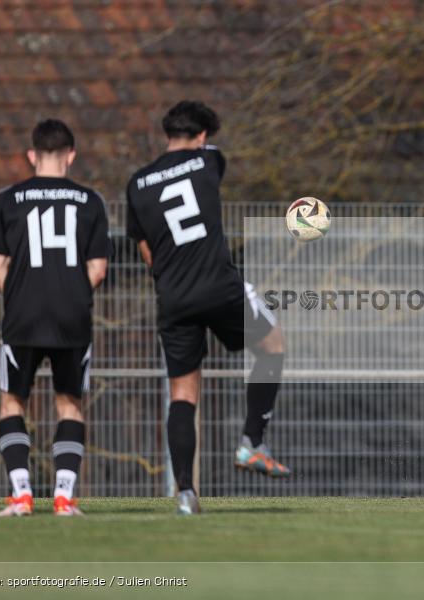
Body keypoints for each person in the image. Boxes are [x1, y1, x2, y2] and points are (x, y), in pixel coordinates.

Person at [126, 100, 289, 515]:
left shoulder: (137, 184)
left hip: (174, 296)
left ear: (168, 133)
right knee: (272, 345)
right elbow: (206, 161)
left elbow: (145, 252)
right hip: (219, 287)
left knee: (182, 392)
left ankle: (184, 492)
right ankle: (253, 440)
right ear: (201, 137)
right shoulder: (210, 161)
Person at [0, 119, 110, 516]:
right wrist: (69, 294)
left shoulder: (6, 200)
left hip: (23, 315)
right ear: (71, 155)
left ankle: (22, 495)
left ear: (32, 155)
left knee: (11, 402)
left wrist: (25, 295)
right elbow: (99, 269)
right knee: (69, 405)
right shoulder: (90, 202)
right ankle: (63, 497)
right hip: (73, 316)